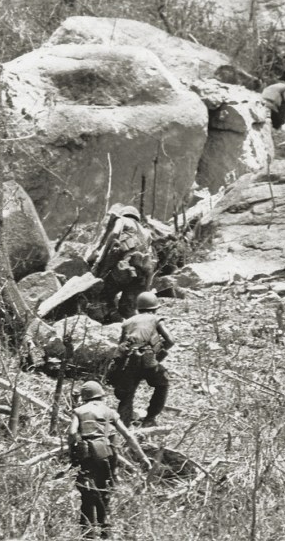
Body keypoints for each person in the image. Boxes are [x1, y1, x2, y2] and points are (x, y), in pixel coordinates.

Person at [67, 380, 152, 539]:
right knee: (105, 491)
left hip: (88, 455)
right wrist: (143, 457)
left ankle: (88, 534)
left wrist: (71, 450)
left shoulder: (79, 411)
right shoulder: (110, 412)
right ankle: (106, 531)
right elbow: (128, 435)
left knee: (87, 493)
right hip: (108, 454)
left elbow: (72, 433)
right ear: (100, 395)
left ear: (85, 396)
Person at [107, 291, 175, 428]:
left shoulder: (128, 322)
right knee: (162, 383)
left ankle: (123, 426)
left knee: (127, 394)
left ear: (138, 308)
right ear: (155, 308)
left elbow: (121, 346)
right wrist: (159, 353)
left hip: (129, 360)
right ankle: (150, 419)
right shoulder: (155, 319)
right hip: (148, 359)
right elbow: (170, 340)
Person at [87, 204, 155, 322]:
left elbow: (114, 234)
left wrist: (100, 259)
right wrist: (147, 287)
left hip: (125, 268)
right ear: (137, 217)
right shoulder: (146, 232)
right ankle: (132, 327)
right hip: (141, 275)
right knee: (127, 308)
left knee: (105, 295)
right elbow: (151, 261)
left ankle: (116, 321)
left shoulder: (122, 220)